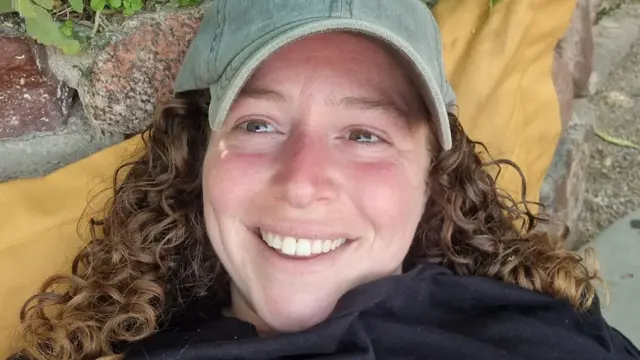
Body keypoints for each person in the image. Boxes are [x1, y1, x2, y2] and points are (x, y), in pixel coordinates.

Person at [12, 1, 640, 359]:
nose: (303, 183)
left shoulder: (551, 341)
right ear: (195, 157)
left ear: (435, 177)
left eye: (364, 135)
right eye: (259, 125)